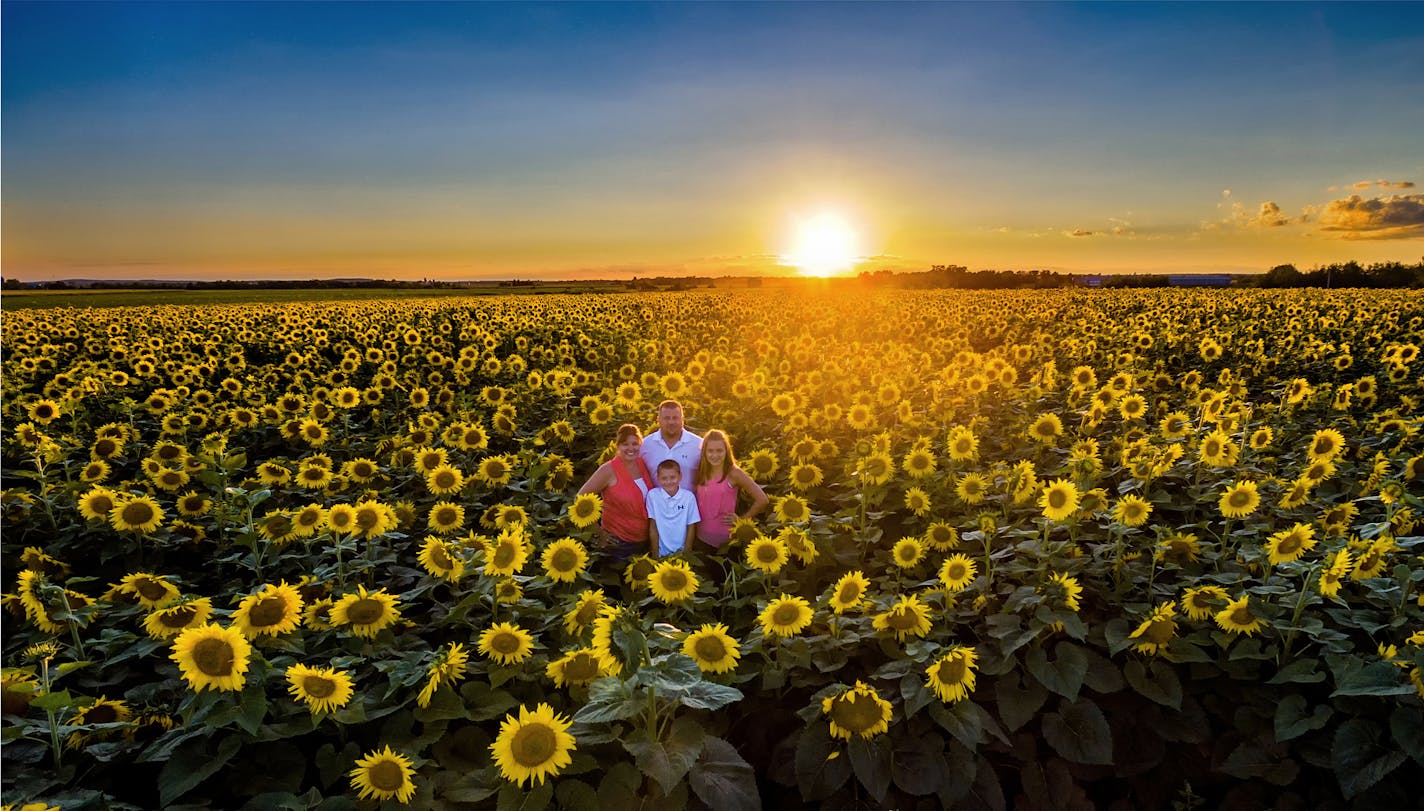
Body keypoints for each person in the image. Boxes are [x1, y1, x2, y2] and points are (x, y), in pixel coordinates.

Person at [576, 423, 654, 562]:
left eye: (635, 444)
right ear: (617, 446)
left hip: (644, 541)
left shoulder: (641, 464)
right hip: (618, 544)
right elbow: (580, 498)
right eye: (625, 444)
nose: (630, 448)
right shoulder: (608, 470)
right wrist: (598, 532)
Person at [693, 429, 769, 552]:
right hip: (700, 539)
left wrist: (742, 520)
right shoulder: (701, 471)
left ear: (726, 451)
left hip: (726, 544)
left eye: (719, 451)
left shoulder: (734, 473)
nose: (715, 455)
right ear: (704, 452)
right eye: (710, 451)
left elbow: (762, 499)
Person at [639, 400, 702, 493]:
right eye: (667, 418)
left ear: (682, 419)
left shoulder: (699, 445)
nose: (671, 422)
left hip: (689, 505)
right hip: (655, 505)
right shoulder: (645, 445)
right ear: (658, 419)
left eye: (675, 418)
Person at [646, 459, 700, 557]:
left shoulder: (689, 497)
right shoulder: (652, 495)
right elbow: (653, 527)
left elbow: (691, 527)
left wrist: (686, 554)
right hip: (661, 554)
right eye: (664, 478)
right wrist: (655, 554)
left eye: (673, 477)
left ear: (680, 476)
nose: (669, 482)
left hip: (681, 553)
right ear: (657, 478)